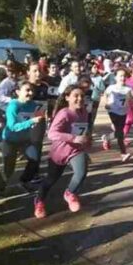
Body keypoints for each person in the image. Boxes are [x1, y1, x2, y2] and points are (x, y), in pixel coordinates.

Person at [33, 85, 91, 218]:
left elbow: (82, 131)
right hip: (60, 152)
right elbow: (52, 134)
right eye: (76, 96)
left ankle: (70, 193)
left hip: (76, 150)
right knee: (51, 179)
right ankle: (39, 201)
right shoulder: (64, 113)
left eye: (82, 96)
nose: (80, 99)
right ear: (67, 98)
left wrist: (86, 142)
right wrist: (73, 138)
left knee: (81, 173)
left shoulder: (84, 112)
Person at [0, 81, 44, 194]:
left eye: (32, 90)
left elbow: (39, 117)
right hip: (9, 141)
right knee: (9, 168)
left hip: (25, 140)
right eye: (27, 90)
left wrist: (41, 117)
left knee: (35, 159)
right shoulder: (13, 106)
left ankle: (24, 181)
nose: (31, 93)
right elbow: (12, 127)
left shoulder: (34, 105)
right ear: (18, 92)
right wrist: (31, 122)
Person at [101, 68, 133, 161]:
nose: (122, 78)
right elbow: (105, 95)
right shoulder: (111, 87)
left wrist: (132, 98)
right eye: (120, 76)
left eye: (124, 76)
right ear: (115, 77)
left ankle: (107, 138)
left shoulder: (129, 89)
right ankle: (123, 153)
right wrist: (106, 103)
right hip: (113, 111)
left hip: (123, 112)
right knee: (120, 132)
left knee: (119, 132)